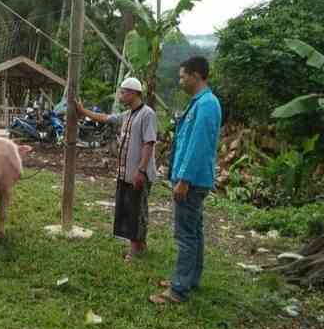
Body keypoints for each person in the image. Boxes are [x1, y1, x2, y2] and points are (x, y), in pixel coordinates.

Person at [150, 56, 222, 305]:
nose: (180, 81)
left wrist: (184, 180)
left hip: (191, 180)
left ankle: (178, 289)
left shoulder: (207, 105)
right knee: (195, 231)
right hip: (191, 178)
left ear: (195, 75)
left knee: (185, 235)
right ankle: (190, 279)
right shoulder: (199, 103)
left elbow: (199, 145)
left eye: (182, 76)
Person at [76, 77, 157, 262]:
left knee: (136, 210)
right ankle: (140, 245)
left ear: (133, 93)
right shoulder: (127, 115)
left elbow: (149, 142)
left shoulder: (147, 114)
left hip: (138, 173)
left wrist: (141, 170)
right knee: (128, 209)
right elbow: (106, 118)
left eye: (123, 92)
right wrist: (83, 111)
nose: (120, 95)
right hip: (125, 173)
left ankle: (135, 250)